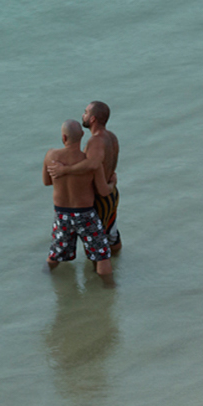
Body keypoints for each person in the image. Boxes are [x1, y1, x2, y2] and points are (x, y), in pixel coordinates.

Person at [42, 119, 116, 278]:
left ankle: (44, 277)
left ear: (63, 137)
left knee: (56, 253)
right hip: (85, 214)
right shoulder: (90, 163)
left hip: (61, 214)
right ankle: (109, 290)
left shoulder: (50, 156)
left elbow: (46, 181)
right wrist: (112, 183)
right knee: (102, 255)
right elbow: (103, 192)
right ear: (82, 135)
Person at [82, 101, 120, 250]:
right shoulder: (112, 137)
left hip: (100, 199)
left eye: (85, 112)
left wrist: (64, 170)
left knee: (95, 247)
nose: (83, 115)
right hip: (113, 195)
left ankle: (100, 273)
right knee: (112, 236)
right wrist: (111, 185)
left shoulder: (95, 141)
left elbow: (90, 168)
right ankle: (118, 268)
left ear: (92, 119)